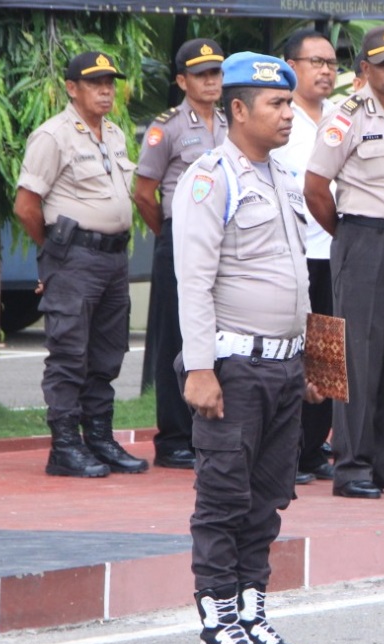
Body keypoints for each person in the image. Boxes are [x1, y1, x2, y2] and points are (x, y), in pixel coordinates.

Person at [172, 51, 316, 644]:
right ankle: (218, 628)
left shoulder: (282, 176)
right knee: (224, 501)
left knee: (267, 502)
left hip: (284, 368)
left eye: (289, 102)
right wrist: (199, 369)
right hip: (234, 369)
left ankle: (253, 614)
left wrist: (311, 359)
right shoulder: (211, 178)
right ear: (237, 110)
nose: (288, 113)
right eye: (276, 104)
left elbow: (295, 277)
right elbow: (193, 282)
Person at [305, 24, 384, 499]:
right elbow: (316, 187)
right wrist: (349, 235)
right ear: (364, 69)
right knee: (356, 357)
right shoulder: (347, 116)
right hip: (361, 236)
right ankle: (353, 466)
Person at [13, 51, 147, 478]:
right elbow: (26, 205)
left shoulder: (114, 133)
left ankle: (100, 440)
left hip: (112, 259)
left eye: (110, 82)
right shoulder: (53, 136)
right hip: (75, 257)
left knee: (107, 353)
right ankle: (65, 446)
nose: (106, 90)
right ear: (72, 88)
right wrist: (54, 253)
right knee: (70, 353)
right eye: (95, 83)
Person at [133, 38, 227, 471]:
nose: (211, 81)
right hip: (179, 238)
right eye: (202, 73)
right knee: (176, 336)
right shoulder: (166, 127)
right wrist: (170, 234)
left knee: (215, 335)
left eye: (216, 72)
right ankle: (173, 438)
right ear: (182, 80)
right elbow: (144, 193)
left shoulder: (230, 123)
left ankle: (208, 427)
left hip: (223, 241)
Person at [273, 29, 340, 486]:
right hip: (294, 255)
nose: (325, 70)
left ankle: (314, 446)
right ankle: (288, 449)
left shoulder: (341, 116)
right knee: (296, 352)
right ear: (291, 66)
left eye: (332, 63)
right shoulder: (280, 119)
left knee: (329, 354)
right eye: (315, 61)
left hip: (335, 251)